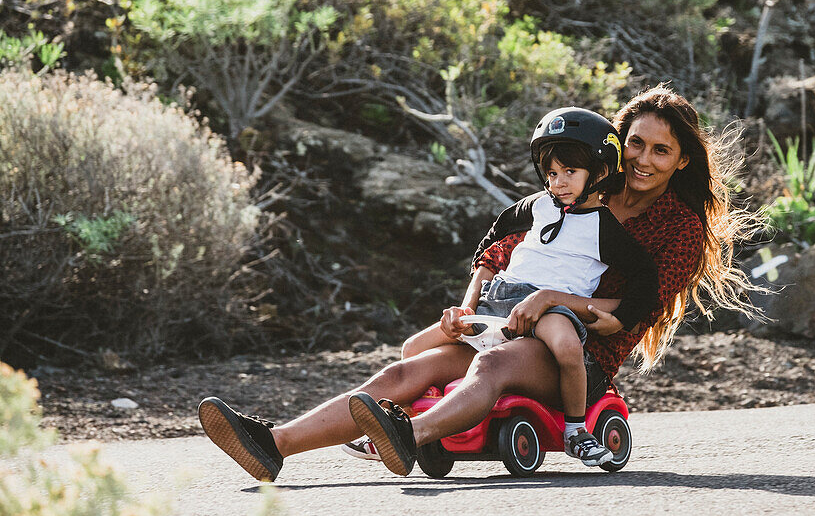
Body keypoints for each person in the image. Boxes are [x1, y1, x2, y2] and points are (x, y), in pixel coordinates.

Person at [198, 84, 760, 482]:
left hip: (580, 352)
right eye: (635, 143)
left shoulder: (679, 229)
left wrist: (556, 302)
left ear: (682, 161)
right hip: (508, 324)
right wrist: (470, 306)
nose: (644, 158)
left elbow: (634, 309)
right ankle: (274, 445)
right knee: (405, 369)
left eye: (661, 150)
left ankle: (408, 436)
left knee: (488, 369)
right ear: (615, 145)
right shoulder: (580, 190)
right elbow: (505, 253)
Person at [390, 107, 658, 466]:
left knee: (566, 346)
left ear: (602, 171)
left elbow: (646, 279)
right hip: (499, 298)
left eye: (569, 172)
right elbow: (493, 237)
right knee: (413, 346)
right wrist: (469, 302)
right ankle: (411, 421)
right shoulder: (538, 205)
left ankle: (576, 431)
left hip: (552, 307)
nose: (557, 182)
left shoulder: (604, 229)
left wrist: (624, 317)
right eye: (550, 173)